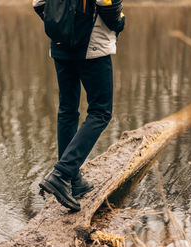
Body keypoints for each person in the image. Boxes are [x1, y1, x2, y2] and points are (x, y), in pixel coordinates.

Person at [34, 0, 125, 212]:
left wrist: (61, 25)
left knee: (67, 109)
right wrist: (120, 22)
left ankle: (73, 181)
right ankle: (63, 173)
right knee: (101, 111)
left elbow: (38, 3)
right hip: (91, 45)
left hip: (60, 43)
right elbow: (108, 4)